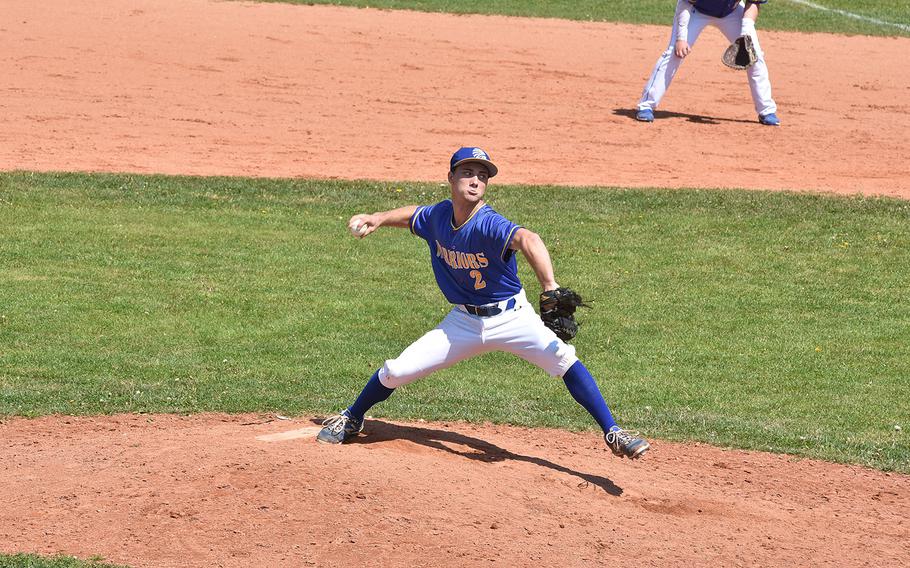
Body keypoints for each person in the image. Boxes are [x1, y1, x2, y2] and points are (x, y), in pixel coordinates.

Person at [316, 147, 650, 460]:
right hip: (463, 322)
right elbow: (413, 215)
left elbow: (528, 239)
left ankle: (614, 432)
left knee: (563, 359)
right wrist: (377, 217)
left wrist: (550, 285)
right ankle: (352, 417)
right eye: (468, 172)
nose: (476, 179)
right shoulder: (440, 215)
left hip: (513, 317)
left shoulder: (489, 223)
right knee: (397, 370)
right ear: (451, 178)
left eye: (483, 175)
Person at [636, 0, 780, 126]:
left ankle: (766, 110)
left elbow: (753, 3)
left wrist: (745, 31)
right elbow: (685, 3)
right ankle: (646, 105)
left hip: (731, 12)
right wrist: (681, 38)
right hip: (694, 11)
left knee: (753, 55)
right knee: (674, 53)